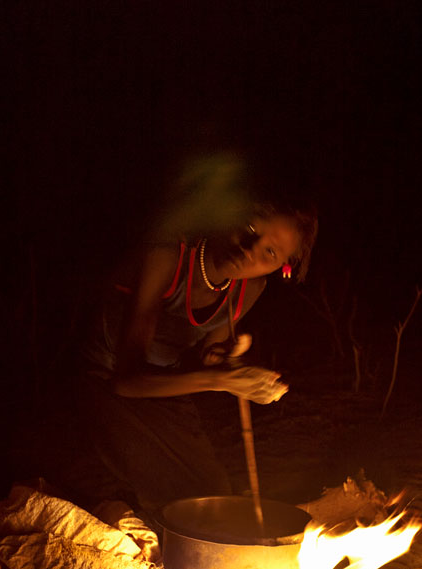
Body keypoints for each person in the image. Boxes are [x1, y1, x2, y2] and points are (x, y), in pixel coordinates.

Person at [72, 198, 318, 518]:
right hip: (103, 377)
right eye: (250, 228)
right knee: (165, 491)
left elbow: (207, 358)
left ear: (283, 267)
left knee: (211, 495)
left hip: (163, 382)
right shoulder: (168, 254)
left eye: (270, 253)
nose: (250, 248)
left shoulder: (250, 287)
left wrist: (228, 357)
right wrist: (225, 381)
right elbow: (126, 381)